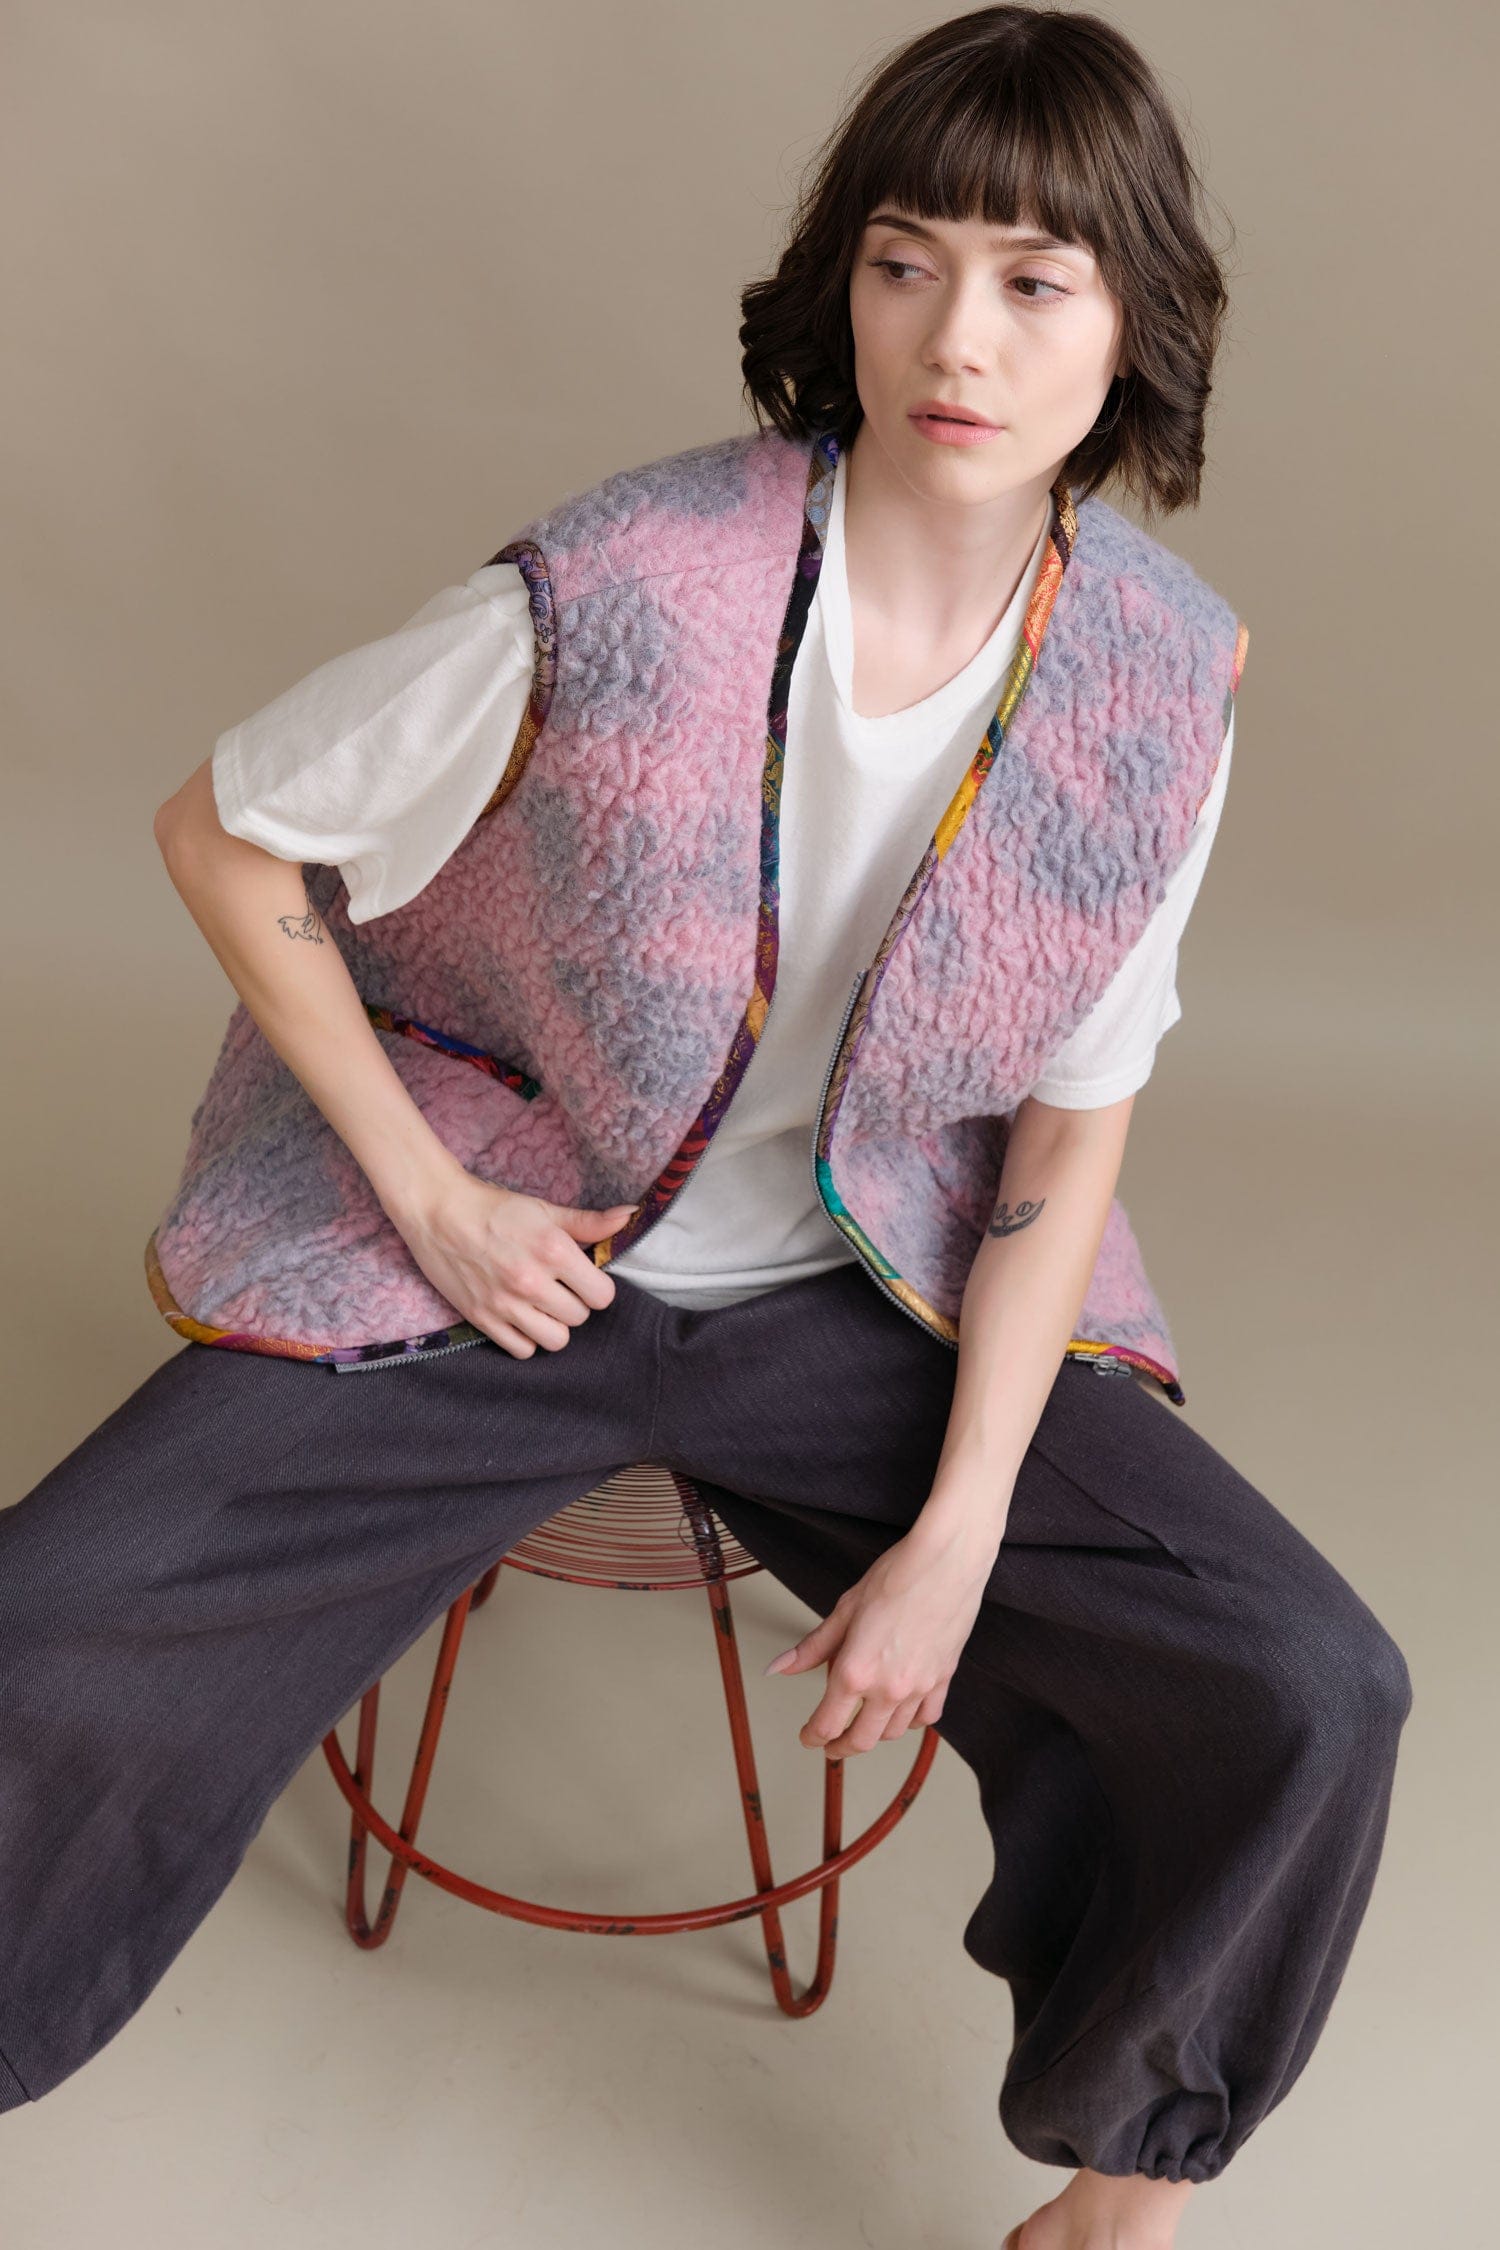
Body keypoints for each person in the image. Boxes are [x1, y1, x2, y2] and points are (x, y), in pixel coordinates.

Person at [0, 9, 1411, 2247]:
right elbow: (230, 834)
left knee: (1310, 1682)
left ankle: (1119, 2206)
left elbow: (1067, 1134)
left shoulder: (1162, 670)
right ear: (838, 286)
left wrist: (957, 1536)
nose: (957, 331)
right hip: (517, 1249)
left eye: (1037, 279)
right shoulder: (632, 577)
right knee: (45, 1618)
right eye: (906, 257)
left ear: (1134, 321)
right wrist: (434, 1195)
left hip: (874, 1287)